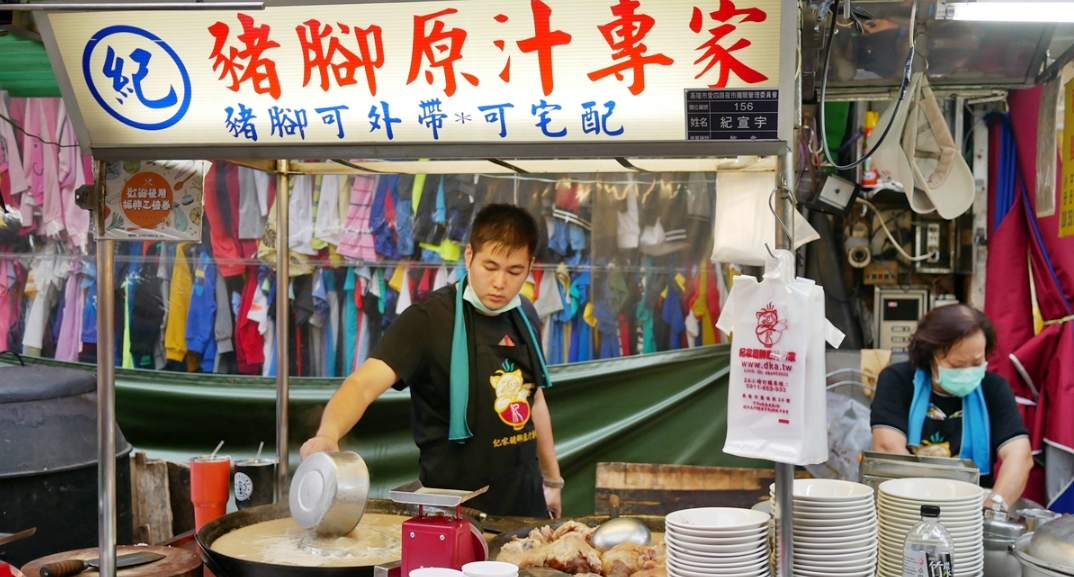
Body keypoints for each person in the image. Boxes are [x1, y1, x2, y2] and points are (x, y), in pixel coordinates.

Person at [300, 204, 563, 518]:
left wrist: (552, 481)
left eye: (514, 271)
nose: (500, 282)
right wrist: (328, 433)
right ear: (469, 256)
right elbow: (363, 385)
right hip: (454, 513)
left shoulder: (524, 315)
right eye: (490, 266)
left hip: (525, 506)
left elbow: (534, 400)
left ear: (530, 266)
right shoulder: (427, 320)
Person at [871, 304, 1033, 507]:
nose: (968, 371)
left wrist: (994, 505)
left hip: (974, 508)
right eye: (957, 365)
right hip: (906, 501)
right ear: (930, 356)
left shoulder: (994, 388)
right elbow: (888, 447)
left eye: (976, 363)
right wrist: (934, 504)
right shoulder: (898, 380)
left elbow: (1019, 455)